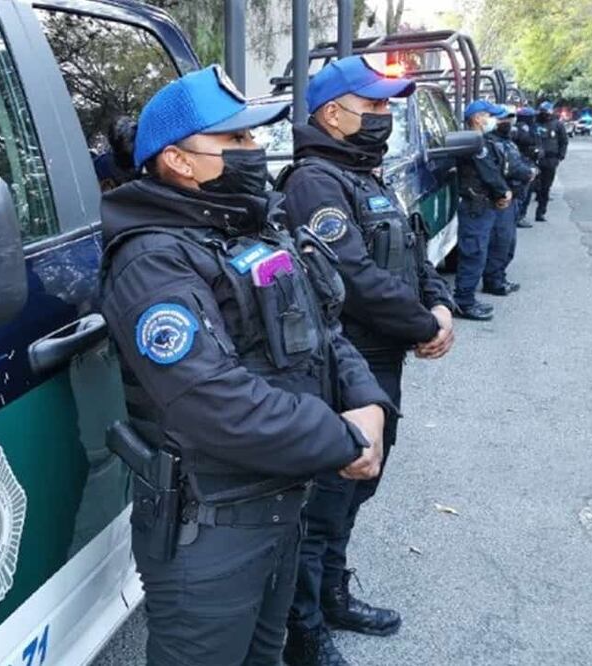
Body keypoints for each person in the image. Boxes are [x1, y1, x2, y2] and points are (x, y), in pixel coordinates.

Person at [97, 65, 395, 666]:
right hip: (211, 527)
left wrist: (367, 402)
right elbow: (214, 402)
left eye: (253, 138)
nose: (254, 151)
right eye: (235, 141)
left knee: (267, 653)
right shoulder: (153, 262)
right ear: (178, 161)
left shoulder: (249, 228)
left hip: (281, 502)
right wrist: (343, 437)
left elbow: (324, 331)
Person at [276, 55, 456, 666]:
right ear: (333, 113)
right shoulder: (314, 182)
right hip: (343, 365)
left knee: (357, 492)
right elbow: (351, 275)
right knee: (326, 498)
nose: (384, 116)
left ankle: (332, 594)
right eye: (373, 105)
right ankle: (304, 631)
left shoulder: (366, 175)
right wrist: (421, 324)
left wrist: (440, 303)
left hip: (383, 360)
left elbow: (411, 248)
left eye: (387, 106)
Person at [454, 100, 511, 321]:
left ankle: (466, 298)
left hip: (481, 204)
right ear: (477, 118)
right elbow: (488, 173)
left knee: (477, 252)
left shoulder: (479, 140)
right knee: (473, 253)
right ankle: (464, 302)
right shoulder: (473, 142)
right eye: (489, 115)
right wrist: (503, 192)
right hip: (475, 205)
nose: (493, 120)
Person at [480, 106, 530, 294]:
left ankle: (499, 277)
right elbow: (503, 171)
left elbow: (517, 162)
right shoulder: (491, 144)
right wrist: (527, 173)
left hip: (513, 197)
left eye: (509, 120)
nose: (506, 123)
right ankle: (494, 281)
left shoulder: (507, 142)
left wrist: (529, 170)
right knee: (500, 242)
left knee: (508, 243)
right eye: (502, 120)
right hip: (501, 199)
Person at [533, 101, 568, 222]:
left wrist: (560, 156)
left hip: (550, 160)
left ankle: (541, 212)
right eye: (543, 112)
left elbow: (564, 141)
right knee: (533, 185)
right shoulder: (535, 123)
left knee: (545, 187)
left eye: (547, 113)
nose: (545, 115)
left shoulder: (557, 125)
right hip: (535, 159)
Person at [512, 107, 541, 225]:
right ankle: (518, 216)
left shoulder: (532, 128)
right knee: (522, 192)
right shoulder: (520, 128)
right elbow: (526, 140)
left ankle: (521, 215)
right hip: (522, 162)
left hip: (530, 161)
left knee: (527, 192)